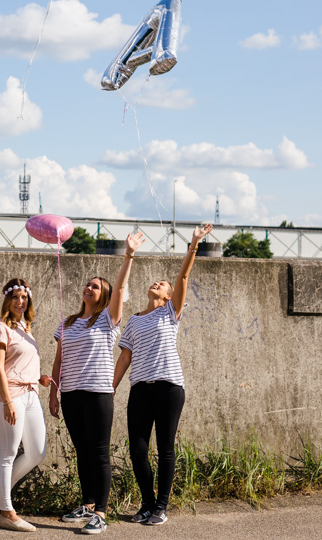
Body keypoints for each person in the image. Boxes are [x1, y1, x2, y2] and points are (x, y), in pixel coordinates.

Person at [113, 223, 213, 526]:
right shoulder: (133, 320)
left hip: (169, 387)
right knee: (138, 449)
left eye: (162, 284)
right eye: (156, 281)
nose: (158, 283)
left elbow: (183, 276)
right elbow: (125, 357)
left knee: (165, 447)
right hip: (140, 389)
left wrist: (193, 244)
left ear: (170, 297)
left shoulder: (170, 314)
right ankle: (146, 504)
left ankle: (161, 507)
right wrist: (111, 387)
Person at [48, 232, 144, 534]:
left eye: (96, 286)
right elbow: (58, 361)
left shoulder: (107, 320)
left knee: (99, 453)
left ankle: (101, 513)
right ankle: (87, 504)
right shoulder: (67, 323)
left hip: (98, 394)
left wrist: (128, 255)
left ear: (103, 295)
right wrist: (54, 392)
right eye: (88, 284)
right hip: (72, 395)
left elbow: (120, 289)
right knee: (82, 451)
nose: (89, 287)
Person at [0, 278, 50, 532]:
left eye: (24, 298)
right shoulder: (0, 327)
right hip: (8, 395)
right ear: (7, 300)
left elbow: (23, 363)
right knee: (7, 452)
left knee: (37, 451)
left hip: (31, 393)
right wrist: (7, 401)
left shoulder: (26, 328)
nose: (20, 302)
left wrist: (40, 377)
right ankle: (6, 512)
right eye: (15, 297)